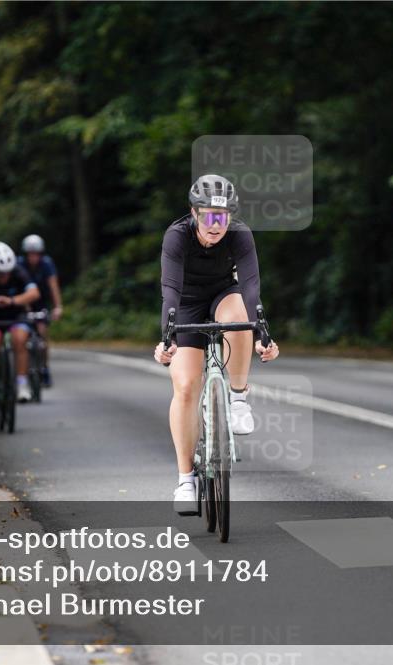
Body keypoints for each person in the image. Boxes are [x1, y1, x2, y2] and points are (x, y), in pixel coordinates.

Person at [153, 174, 279, 514]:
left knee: (239, 315)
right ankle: (185, 480)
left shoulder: (239, 235)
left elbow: (251, 287)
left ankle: (237, 399)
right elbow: (170, 291)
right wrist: (168, 338)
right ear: (194, 213)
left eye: (222, 217)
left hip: (225, 295)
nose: (215, 224)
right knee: (185, 386)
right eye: (208, 215)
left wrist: (262, 335)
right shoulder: (177, 237)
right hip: (187, 303)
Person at [0, 241, 41, 405]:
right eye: (0, 273)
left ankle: (22, 383)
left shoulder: (19, 272)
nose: (4, 276)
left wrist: (12, 300)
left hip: (16, 316)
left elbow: (34, 293)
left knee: (20, 340)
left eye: (7, 273)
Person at [17, 234, 64, 387]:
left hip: (41, 302)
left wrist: (58, 306)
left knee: (42, 335)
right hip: (24, 302)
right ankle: (20, 370)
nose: (33, 257)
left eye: (36, 254)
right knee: (21, 337)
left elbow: (53, 285)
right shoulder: (19, 265)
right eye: (30, 254)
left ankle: (44, 367)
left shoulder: (46, 264)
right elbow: (17, 287)